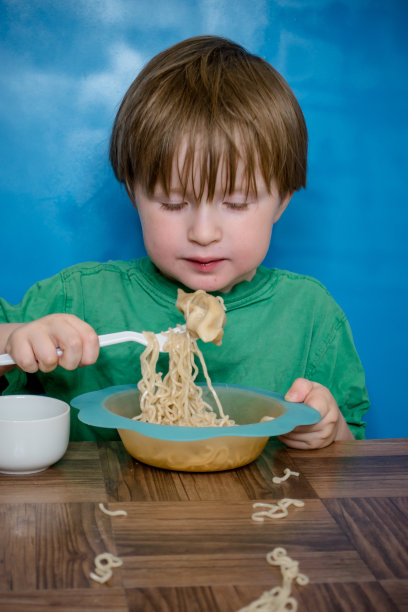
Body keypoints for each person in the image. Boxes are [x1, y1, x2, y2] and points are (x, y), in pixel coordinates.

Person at [0, 35, 369, 448]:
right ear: (134, 196)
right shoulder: (79, 297)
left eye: (236, 201)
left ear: (282, 200)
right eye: (174, 203)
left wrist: (329, 431)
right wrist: (15, 337)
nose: (204, 233)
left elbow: (353, 453)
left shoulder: (311, 316)